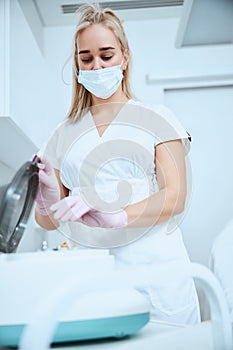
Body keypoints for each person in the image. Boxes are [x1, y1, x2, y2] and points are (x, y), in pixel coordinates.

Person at [35, 3, 200, 324]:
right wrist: (47, 200)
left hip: (157, 272)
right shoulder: (63, 133)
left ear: (124, 57)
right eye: (86, 58)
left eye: (106, 55)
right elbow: (48, 222)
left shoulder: (157, 118)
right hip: (92, 276)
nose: (96, 66)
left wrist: (119, 216)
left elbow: (175, 196)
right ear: (78, 67)